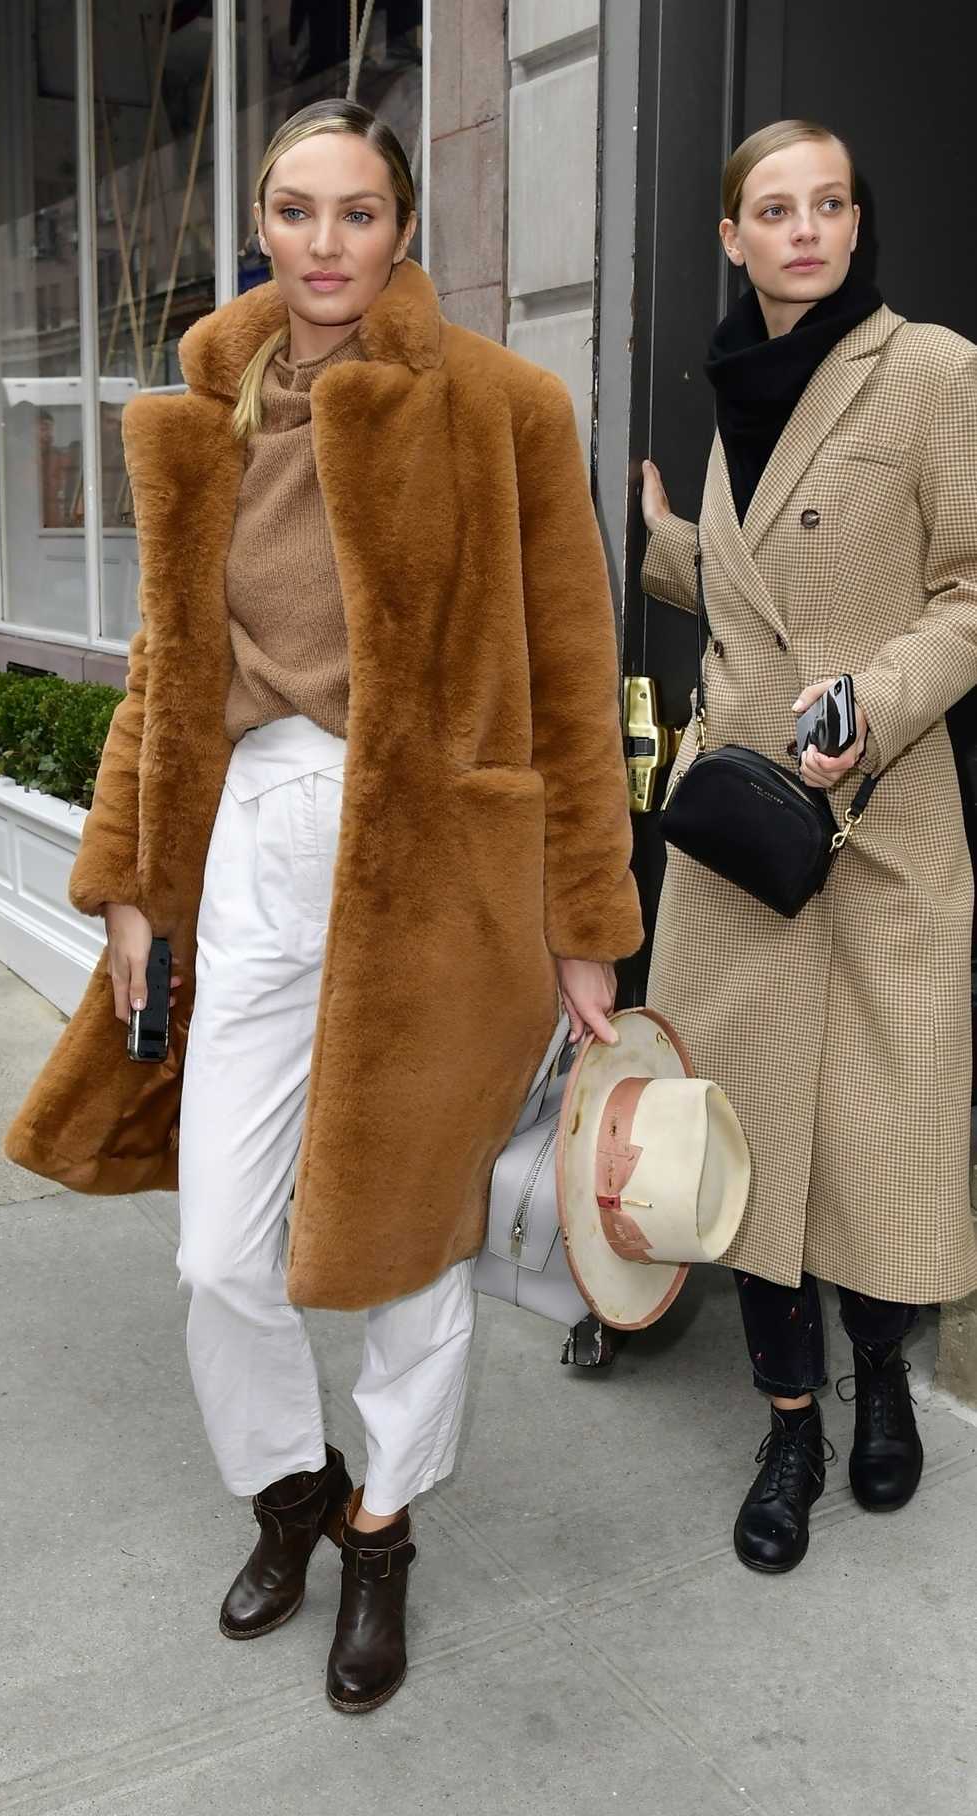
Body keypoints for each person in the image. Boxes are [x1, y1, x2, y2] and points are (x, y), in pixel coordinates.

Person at [6, 99, 641, 1710]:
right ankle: (291, 1489)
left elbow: (572, 679)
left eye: (358, 214)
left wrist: (586, 925)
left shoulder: (504, 405)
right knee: (222, 1250)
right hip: (247, 857)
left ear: (403, 227)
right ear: (262, 223)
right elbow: (163, 674)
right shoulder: (204, 406)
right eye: (295, 212)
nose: (325, 245)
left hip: (434, 882)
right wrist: (132, 889)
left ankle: (380, 1529)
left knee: (411, 1246)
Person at [640, 119, 977, 1573]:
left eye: (828, 202)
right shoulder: (731, 389)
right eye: (772, 210)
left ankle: (883, 1374)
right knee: (747, 1137)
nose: (803, 230)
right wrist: (662, 543)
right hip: (741, 834)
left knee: (877, 1138)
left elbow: (968, 590)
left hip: (881, 819)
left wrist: (876, 701)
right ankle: (789, 1423)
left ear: (855, 222)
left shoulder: (931, 372)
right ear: (732, 237)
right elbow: (756, 582)